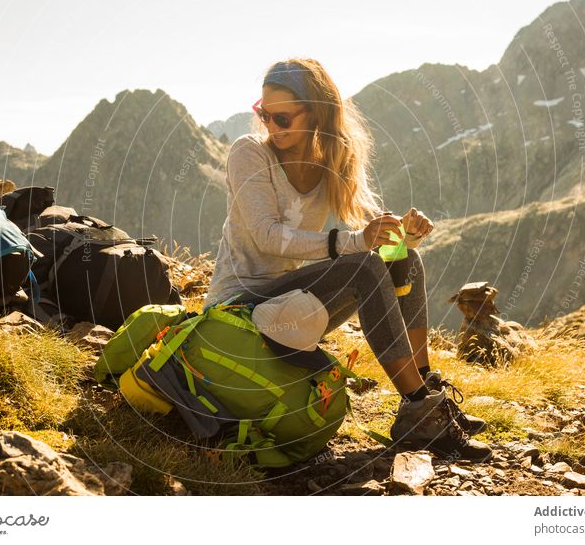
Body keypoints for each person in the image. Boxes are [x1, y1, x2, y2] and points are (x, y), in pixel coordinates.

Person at [203, 58, 491, 462]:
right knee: (362, 265)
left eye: (282, 117)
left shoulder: (331, 164)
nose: (270, 125)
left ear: (315, 112)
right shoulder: (249, 153)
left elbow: (372, 235)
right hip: (239, 310)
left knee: (401, 259)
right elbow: (268, 237)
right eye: (263, 113)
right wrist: (356, 241)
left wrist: (402, 236)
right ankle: (418, 413)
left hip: (285, 311)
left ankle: (428, 391)